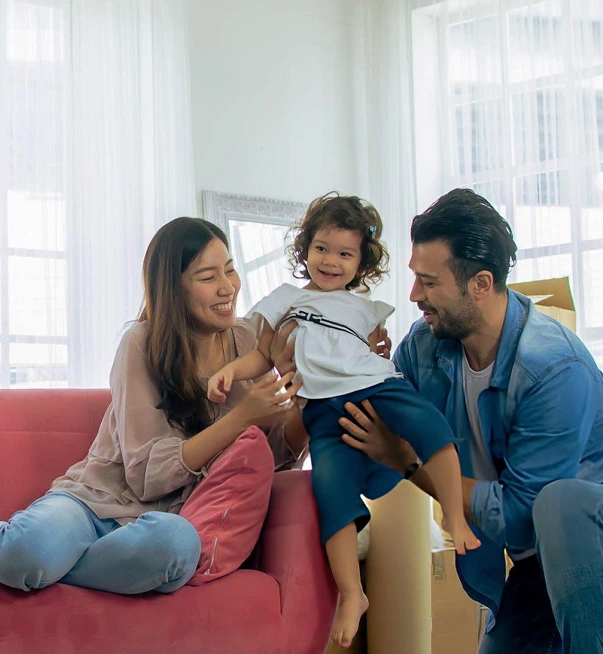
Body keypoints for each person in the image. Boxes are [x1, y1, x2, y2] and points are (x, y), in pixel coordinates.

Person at [207, 192, 480, 649]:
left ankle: (455, 515)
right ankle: (353, 595)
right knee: (330, 494)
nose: (331, 261)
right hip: (322, 409)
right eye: (322, 249)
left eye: (345, 254)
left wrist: (379, 350)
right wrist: (231, 370)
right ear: (305, 249)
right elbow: (263, 356)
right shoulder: (286, 299)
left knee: (431, 426)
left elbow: (370, 350)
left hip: (374, 387)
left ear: (361, 262)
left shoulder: (364, 307)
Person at [339, 188, 603, 654]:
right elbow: (374, 439)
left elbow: (520, 517)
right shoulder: (424, 347)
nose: (414, 295)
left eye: (429, 282)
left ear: (480, 284)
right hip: (533, 567)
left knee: (558, 502)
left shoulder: (554, 369)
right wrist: (350, 365)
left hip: (587, 550)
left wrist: (409, 464)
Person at [0, 217, 306, 596]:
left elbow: (271, 458)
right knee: (25, 553)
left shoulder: (248, 341)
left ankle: (58, 567)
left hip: (161, 526)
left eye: (230, 270)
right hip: (94, 503)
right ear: (172, 287)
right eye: (208, 276)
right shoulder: (140, 342)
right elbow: (146, 475)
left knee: (176, 547)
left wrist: (307, 396)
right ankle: (55, 558)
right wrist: (241, 418)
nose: (228, 287)